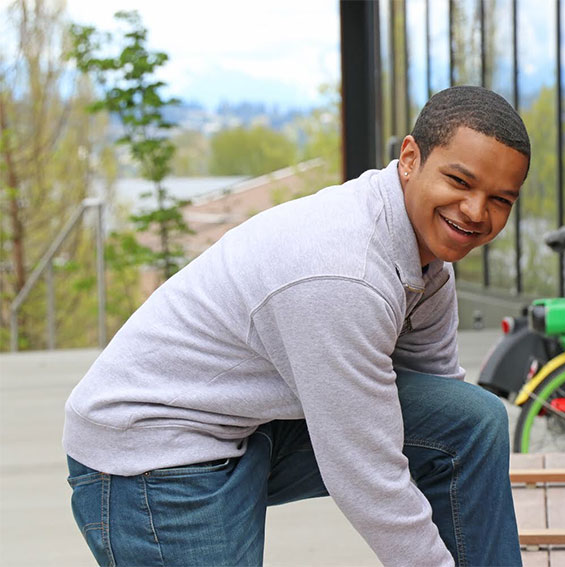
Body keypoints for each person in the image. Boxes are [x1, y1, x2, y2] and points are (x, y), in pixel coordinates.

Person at [63, 85, 531, 567]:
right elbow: (366, 474)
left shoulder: (428, 269)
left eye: (500, 199)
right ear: (409, 158)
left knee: (471, 421)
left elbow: (441, 414)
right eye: (459, 181)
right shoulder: (346, 273)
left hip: (248, 421)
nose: (476, 212)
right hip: (154, 448)